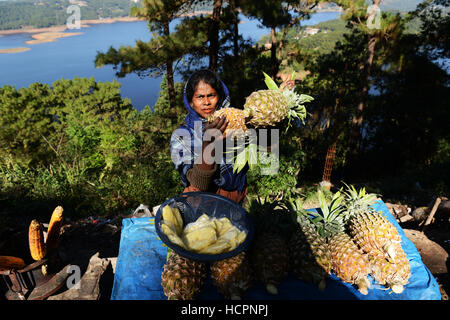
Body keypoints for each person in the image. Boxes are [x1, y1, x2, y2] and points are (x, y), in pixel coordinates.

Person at [170, 69, 249, 204]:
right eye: (200, 97)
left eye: (211, 95)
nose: (206, 102)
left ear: (220, 98)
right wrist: (209, 144)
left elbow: (266, 148)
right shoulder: (181, 136)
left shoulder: (235, 122)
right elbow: (197, 184)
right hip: (204, 201)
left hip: (239, 197)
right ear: (190, 102)